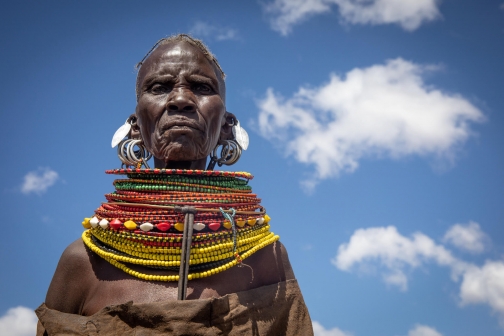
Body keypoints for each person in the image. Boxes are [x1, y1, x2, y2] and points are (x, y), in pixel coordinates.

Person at [36, 34, 313, 336]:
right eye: (159, 87)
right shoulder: (83, 263)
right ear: (135, 127)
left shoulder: (264, 259)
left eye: (202, 88)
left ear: (226, 126)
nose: (181, 99)